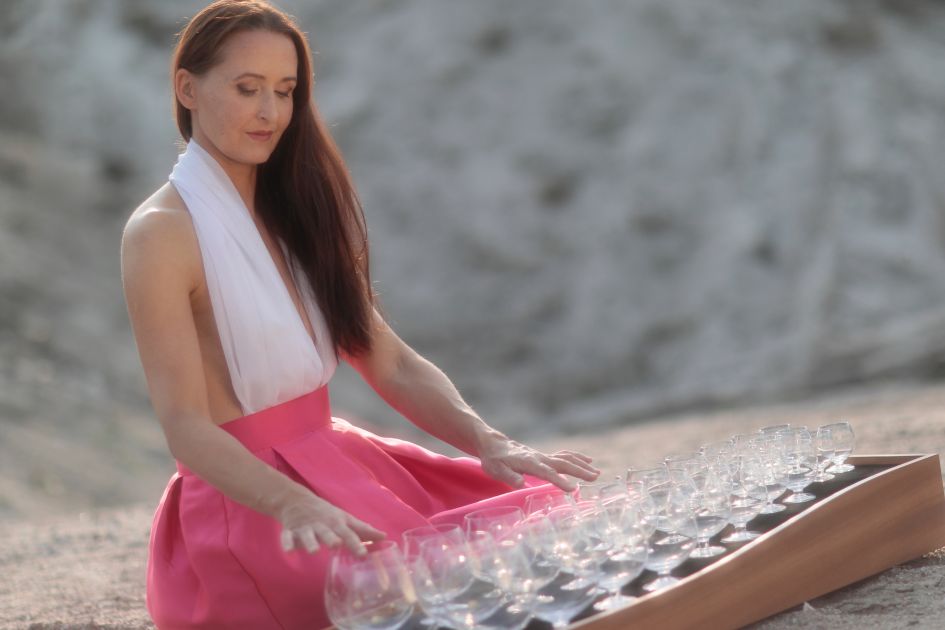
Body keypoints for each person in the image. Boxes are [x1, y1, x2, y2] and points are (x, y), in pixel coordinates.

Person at [119, 1, 600, 628]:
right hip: (253, 508)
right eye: (247, 88)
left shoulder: (295, 211)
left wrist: (487, 441)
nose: (270, 113)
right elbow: (185, 424)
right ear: (187, 88)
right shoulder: (159, 234)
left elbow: (389, 361)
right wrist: (292, 504)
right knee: (415, 592)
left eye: (285, 91)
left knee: (548, 522)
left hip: (339, 464)